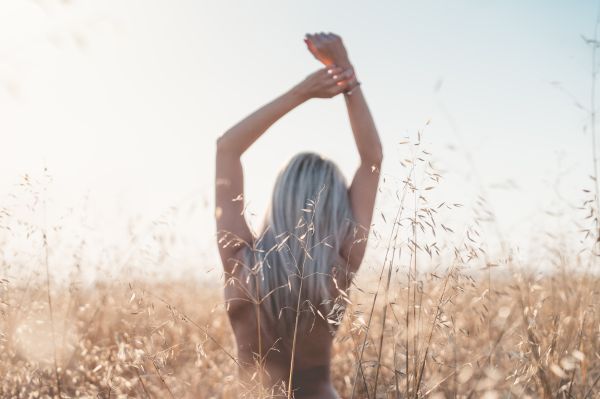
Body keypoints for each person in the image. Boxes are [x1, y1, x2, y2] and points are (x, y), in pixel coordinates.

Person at [215, 32, 382, 398]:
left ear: (279, 198)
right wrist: (346, 76)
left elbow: (227, 148)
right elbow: (372, 159)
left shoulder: (239, 260)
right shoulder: (341, 264)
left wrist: (301, 92)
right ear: (337, 208)